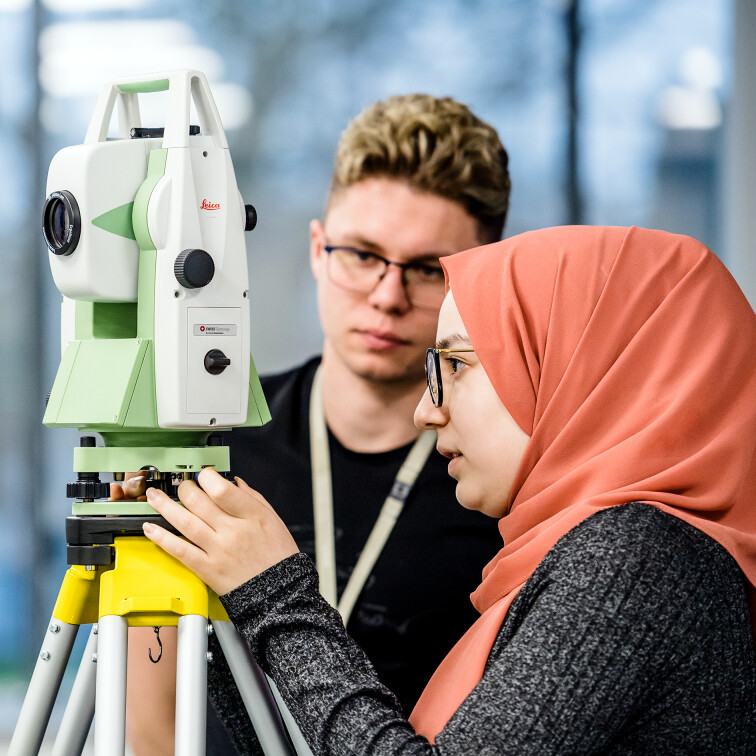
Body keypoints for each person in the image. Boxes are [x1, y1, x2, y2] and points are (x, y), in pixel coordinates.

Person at [143, 225, 756, 753]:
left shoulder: (638, 560)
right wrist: (235, 612)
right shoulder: (606, 553)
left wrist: (274, 596)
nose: (426, 411)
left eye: (457, 365)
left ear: (578, 372)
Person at [121, 93, 511, 754]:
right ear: (317, 248)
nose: (388, 296)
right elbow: (154, 719)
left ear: (480, 278)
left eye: (427, 269)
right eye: (362, 254)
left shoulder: (500, 484)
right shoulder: (212, 445)